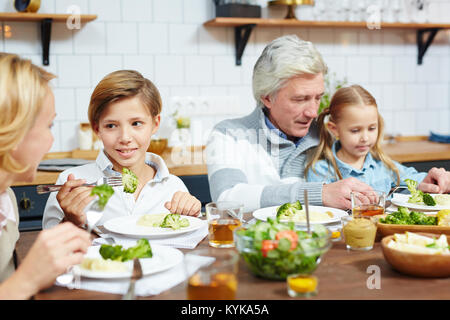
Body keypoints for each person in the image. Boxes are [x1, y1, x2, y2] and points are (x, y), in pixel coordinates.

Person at [206, 34, 376, 212]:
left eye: (318, 98)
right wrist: (319, 193)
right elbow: (227, 200)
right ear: (267, 97)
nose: (313, 112)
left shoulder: (328, 135)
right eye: (300, 99)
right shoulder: (228, 135)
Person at [43, 70, 201, 229]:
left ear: (155, 124)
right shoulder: (71, 183)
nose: (125, 137)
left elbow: (190, 240)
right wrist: (70, 221)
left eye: (136, 123)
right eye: (111, 126)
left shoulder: (173, 187)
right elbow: (48, 249)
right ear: (97, 129)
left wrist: (192, 216)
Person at [0, 53, 91, 299]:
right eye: (49, 126)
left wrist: (69, 222)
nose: (52, 141)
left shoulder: (5, 197)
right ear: (14, 130)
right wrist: (28, 278)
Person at [306, 84, 450, 195]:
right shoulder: (320, 171)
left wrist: (436, 180)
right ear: (334, 129)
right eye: (355, 130)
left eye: (371, 128)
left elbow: (416, 179)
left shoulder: (384, 166)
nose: (365, 138)